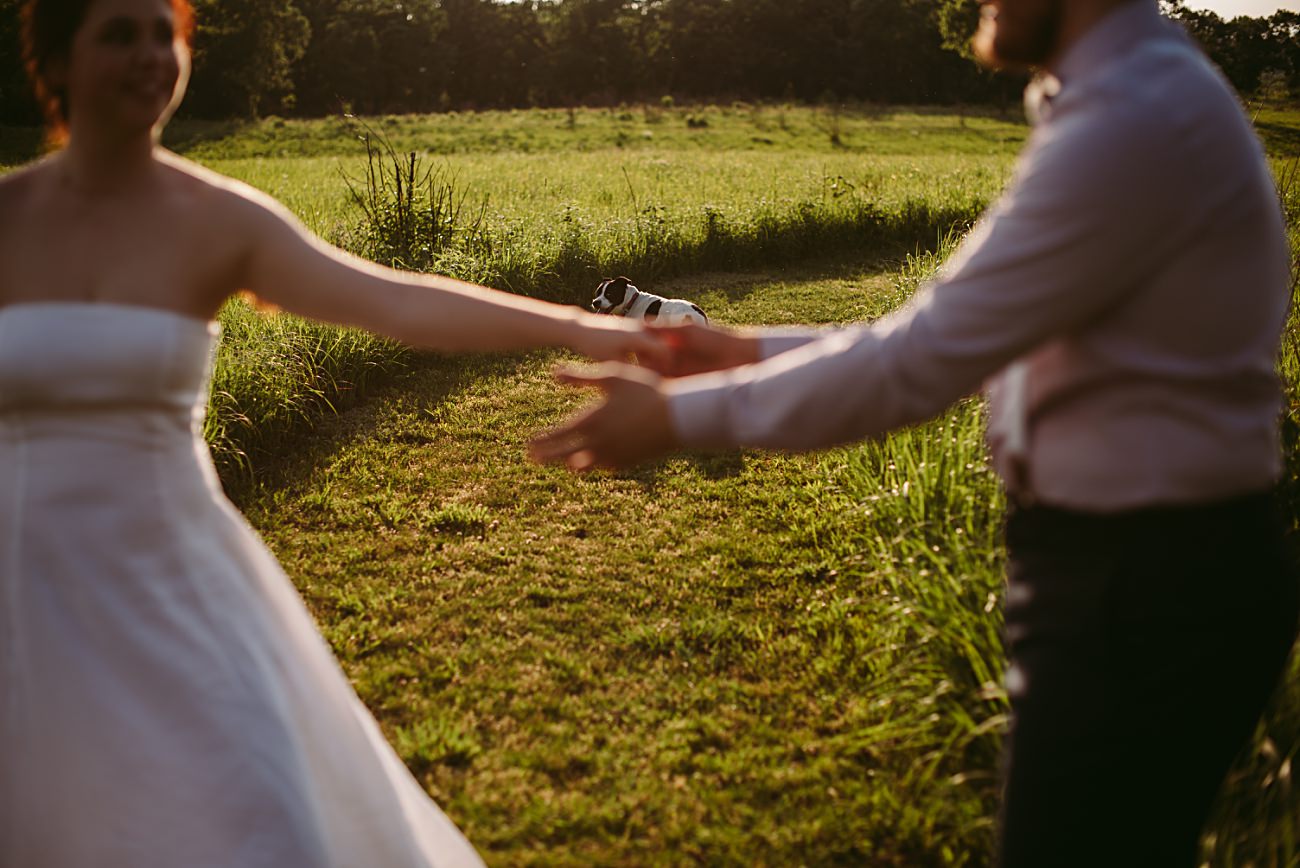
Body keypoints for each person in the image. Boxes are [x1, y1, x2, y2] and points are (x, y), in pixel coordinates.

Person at [532, 0, 1300, 863]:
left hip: (1146, 589)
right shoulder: (1132, 100)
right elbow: (952, 338)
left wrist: (676, 417)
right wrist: (735, 349)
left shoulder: (1131, 122)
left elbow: (917, 363)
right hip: (1148, 572)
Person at [0, 1, 667, 865]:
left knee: (245, 819)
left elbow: (392, 300)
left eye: (164, 33)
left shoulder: (219, 220)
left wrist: (577, 327)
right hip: (23, 586)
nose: (149, 57)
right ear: (53, 63)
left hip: (174, 580)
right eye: (117, 34)